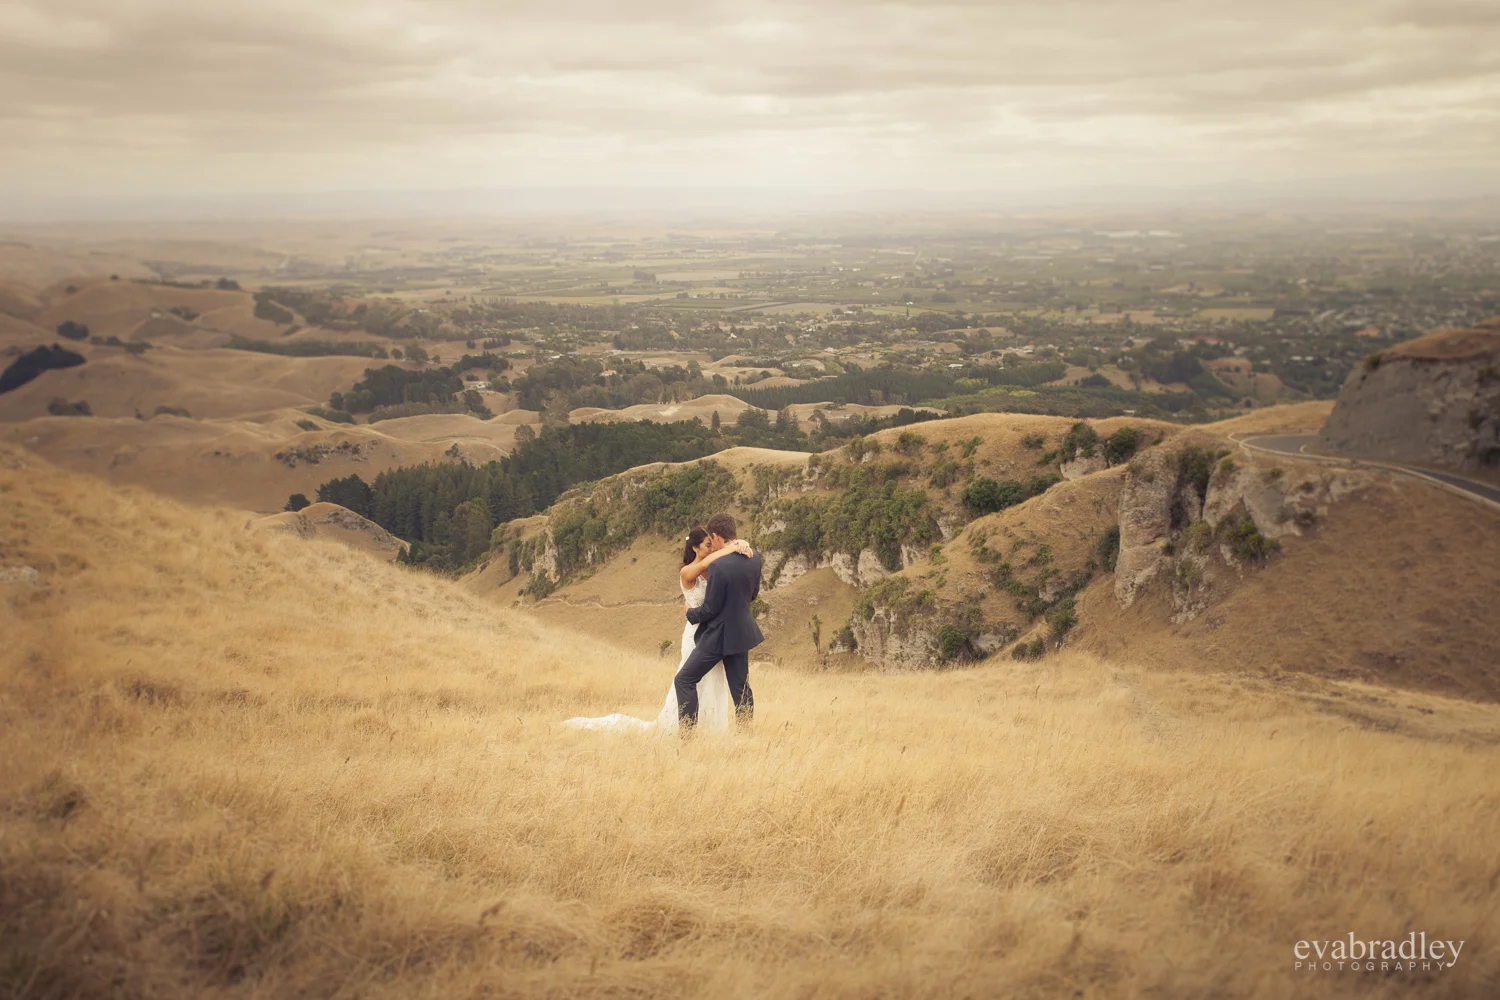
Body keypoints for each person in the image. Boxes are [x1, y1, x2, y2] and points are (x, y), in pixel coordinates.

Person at [561, 525, 751, 734]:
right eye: (708, 545)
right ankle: (685, 728)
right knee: (691, 681)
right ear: (696, 548)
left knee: (714, 680)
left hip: (714, 634)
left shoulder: (715, 569)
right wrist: (733, 547)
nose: (712, 548)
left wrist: (742, 544)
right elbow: (708, 562)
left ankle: (711, 729)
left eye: (712, 544)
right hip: (695, 634)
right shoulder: (688, 571)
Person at [677, 512, 763, 733]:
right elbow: (752, 595)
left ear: (716, 536)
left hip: (717, 636)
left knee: (684, 680)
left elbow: (710, 609)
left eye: (711, 540)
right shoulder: (754, 556)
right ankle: (747, 734)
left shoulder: (719, 566)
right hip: (741, 633)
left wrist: (690, 613)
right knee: (741, 689)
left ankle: (688, 736)